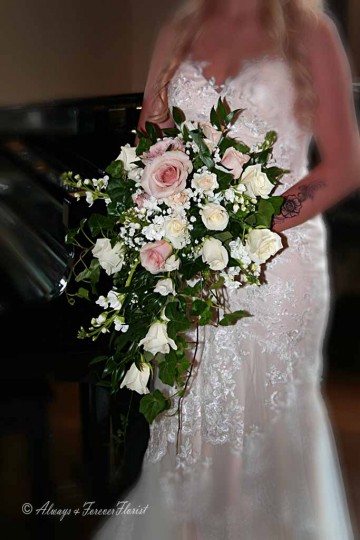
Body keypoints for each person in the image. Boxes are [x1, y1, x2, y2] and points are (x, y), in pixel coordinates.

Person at [93, 1, 360, 538]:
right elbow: (153, 140)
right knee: (188, 423)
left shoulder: (309, 28)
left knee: (264, 425)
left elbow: (346, 164)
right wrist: (167, 220)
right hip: (189, 265)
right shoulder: (179, 26)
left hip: (280, 267)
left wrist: (250, 226)